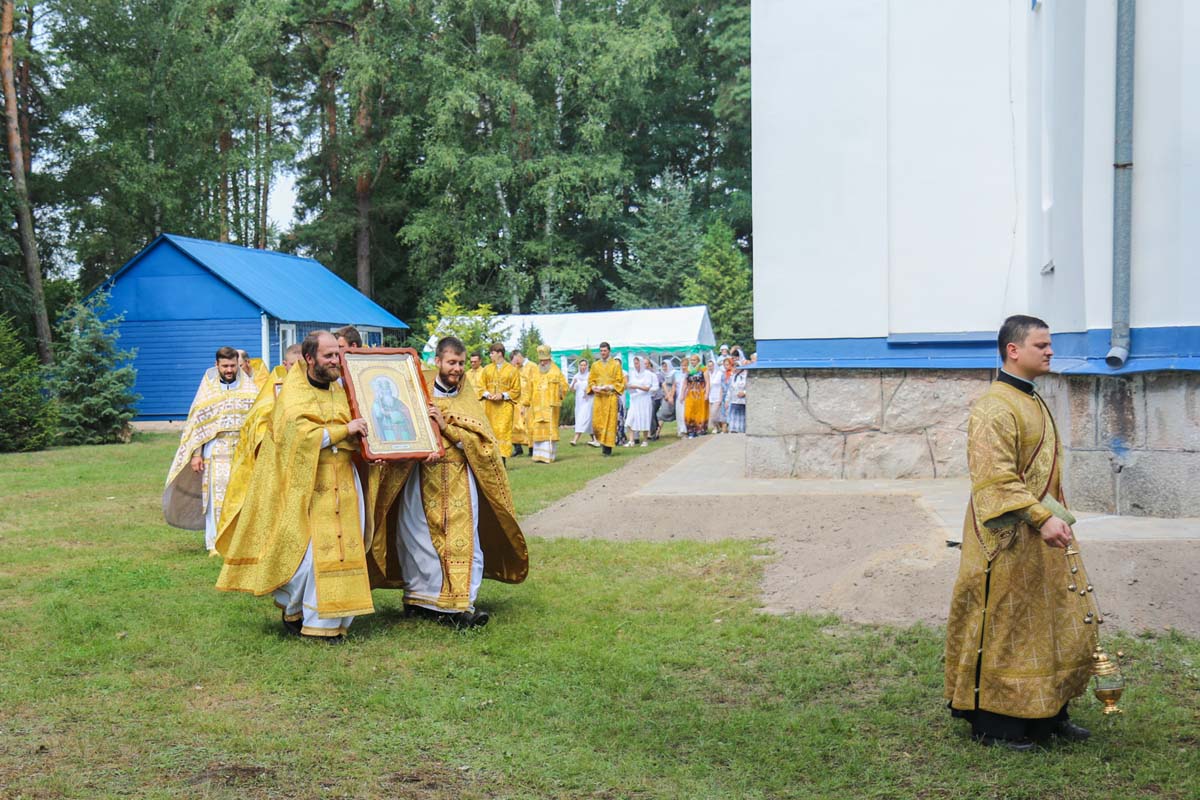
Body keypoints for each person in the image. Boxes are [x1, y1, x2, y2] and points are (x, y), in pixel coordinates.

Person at [945, 315, 1097, 751]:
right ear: (1013, 350)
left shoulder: (1031, 398)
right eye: (1041, 345)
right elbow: (994, 477)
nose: (1050, 351)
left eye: (1049, 345)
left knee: (1047, 622)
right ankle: (996, 725)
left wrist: (1054, 518)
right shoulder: (994, 406)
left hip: (1041, 534)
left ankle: (1048, 715)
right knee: (1007, 626)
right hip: (1006, 538)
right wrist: (1040, 517)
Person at [215, 331, 371, 642]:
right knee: (308, 558)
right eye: (329, 355)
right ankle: (299, 611)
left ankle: (327, 622)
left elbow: (359, 427)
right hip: (307, 485)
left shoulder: (342, 389)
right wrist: (344, 431)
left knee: (344, 552)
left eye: (337, 354)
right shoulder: (293, 392)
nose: (336, 360)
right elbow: (300, 436)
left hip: (344, 482)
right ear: (309, 358)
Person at [366, 336, 528, 628]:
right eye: (452, 362)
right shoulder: (416, 391)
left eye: (461, 363)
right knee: (417, 540)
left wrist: (446, 427)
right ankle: (420, 600)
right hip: (418, 477)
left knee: (464, 543)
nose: (457, 369)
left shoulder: (466, 397)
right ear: (438, 361)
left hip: (458, 478)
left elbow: (484, 446)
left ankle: (462, 604)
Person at [163, 346, 259, 553]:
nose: (229, 370)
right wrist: (196, 454)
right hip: (216, 450)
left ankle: (240, 541)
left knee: (243, 494)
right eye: (225, 366)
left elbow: (259, 420)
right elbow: (197, 425)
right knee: (217, 495)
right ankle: (216, 543)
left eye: (232, 365)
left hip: (242, 450)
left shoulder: (250, 390)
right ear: (217, 365)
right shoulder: (207, 391)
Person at [478, 342, 521, 460]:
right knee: (490, 432)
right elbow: (480, 387)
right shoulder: (487, 369)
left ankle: (502, 460)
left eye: (492, 353)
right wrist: (487, 394)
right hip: (490, 408)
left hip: (504, 408)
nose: (490, 355)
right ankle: (491, 459)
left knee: (503, 432)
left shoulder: (512, 370)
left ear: (500, 353)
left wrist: (502, 395)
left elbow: (516, 390)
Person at [527, 345, 570, 463]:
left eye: (545, 360)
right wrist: (527, 402)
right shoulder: (534, 370)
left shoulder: (556, 371)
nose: (542, 363)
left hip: (550, 406)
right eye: (541, 360)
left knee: (549, 430)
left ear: (549, 359)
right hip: (537, 406)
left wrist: (559, 393)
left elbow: (564, 386)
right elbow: (529, 387)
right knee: (538, 429)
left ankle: (548, 456)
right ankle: (538, 456)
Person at [587, 342, 625, 456]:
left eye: (605, 351)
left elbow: (620, 381)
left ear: (609, 351)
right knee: (597, 422)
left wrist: (610, 387)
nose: (603, 353)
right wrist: (593, 387)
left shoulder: (616, 365)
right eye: (601, 351)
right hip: (599, 397)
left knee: (609, 422)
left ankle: (607, 449)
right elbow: (591, 380)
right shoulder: (595, 365)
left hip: (610, 397)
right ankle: (601, 442)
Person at [509, 349, 537, 457]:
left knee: (530, 425)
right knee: (515, 425)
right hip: (517, 401)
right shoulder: (516, 368)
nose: (515, 363)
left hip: (530, 401)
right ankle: (517, 447)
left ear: (519, 356)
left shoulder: (532, 366)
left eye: (515, 360)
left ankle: (532, 448)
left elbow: (535, 384)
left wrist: (529, 401)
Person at [623, 355, 656, 447]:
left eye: (637, 363)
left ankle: (645, 440)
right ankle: (631, 440)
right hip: (634, 399)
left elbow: (647, 388)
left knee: (644, 418)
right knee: (630, 418)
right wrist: (628, 387)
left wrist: (637, 387)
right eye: (634, 364)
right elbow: (630, 384)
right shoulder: (633, 374)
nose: (636, 365)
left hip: (644, 399)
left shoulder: (648, 374)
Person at [570, 359, 596, 446]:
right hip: (579, 401)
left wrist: (588, 389)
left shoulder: (590, 376)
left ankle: (575, 439)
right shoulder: (576, 376)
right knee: (584, 419)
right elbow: (572, 389)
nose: (583, 367)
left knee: (584, 418)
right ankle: (594, 439)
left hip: (588, 400)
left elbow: (594, 387)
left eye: (585, 365)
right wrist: (574, 382)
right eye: (581, 365)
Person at [682, 354, 709, 438]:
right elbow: (685, 383)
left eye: (694, 360)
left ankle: (700, 430)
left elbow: (707, 382)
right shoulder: (688, 370)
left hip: (700, 393)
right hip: (690, 393)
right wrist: (682, 394)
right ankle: (691, 430)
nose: (692, 362)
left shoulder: (703, 369)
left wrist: (707, 393)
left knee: (700, 411)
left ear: (698, 361)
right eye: (691, 360)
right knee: (689, 411)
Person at [727, 360, 748, 433]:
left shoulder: (746, 376)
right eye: (734, 366)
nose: (735, 368)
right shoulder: (732, 377)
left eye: (737, 366)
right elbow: (729, 389)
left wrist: (744, 392)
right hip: (734, 400)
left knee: (742, 416)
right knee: (733, 415)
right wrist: (727, 400)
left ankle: (741, 431)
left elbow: (750, 387)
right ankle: (733, 430)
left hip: (743, 401)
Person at [707, 360, 726, 434]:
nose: (710, 367)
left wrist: (721, 397)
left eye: (711, 366)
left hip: (718, 396)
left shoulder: (719, 374)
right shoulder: (708, 374)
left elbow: (722, 386)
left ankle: (720, 427)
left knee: (714, 412)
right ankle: (716, 427)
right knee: (711, 414)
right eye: (709, 366)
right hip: (710, 396)